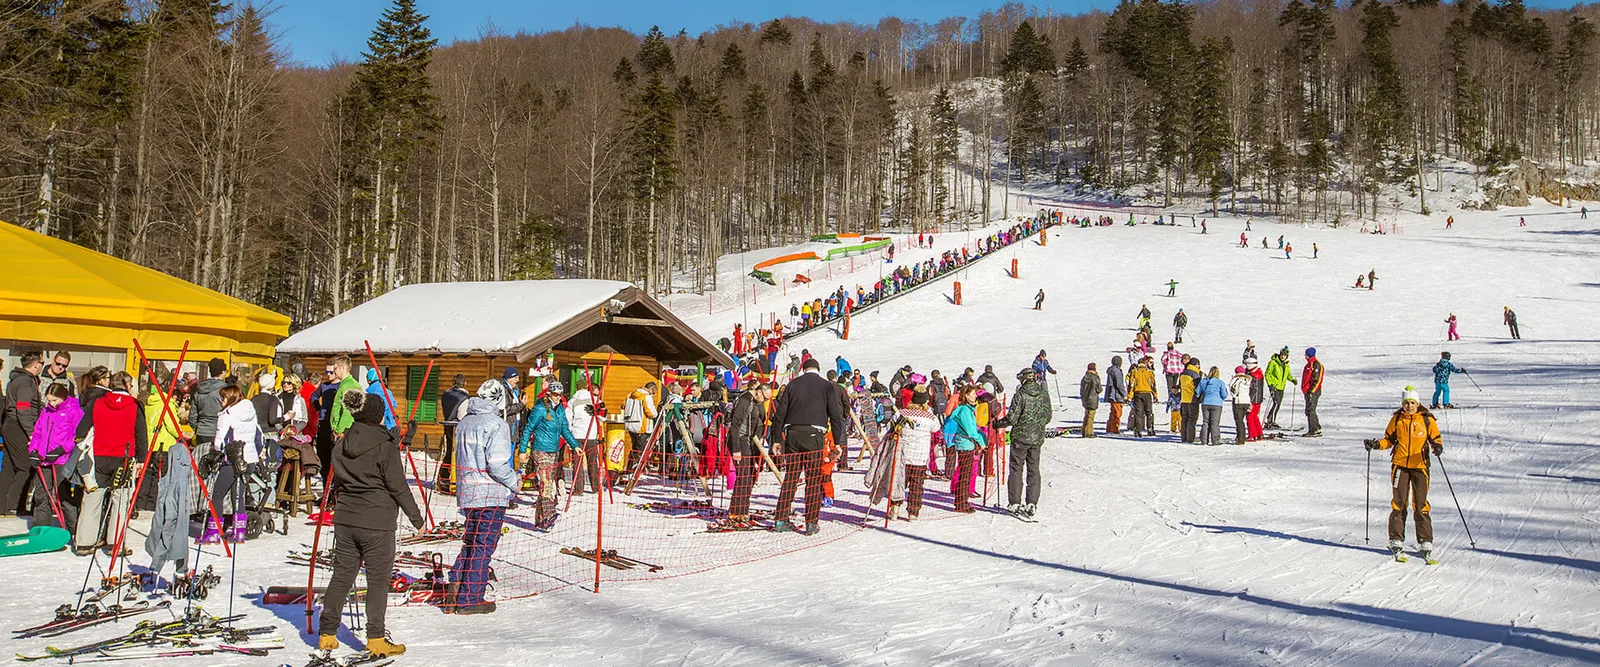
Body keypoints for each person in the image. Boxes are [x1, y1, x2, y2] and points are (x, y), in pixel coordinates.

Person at [318, 391, 423, 654]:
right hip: (377, 521)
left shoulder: (341, 443)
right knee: (377, 581)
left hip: (346, 518)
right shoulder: (384, 445)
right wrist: (417, 519)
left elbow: (341, 480)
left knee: (341, 577)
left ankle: (327, 632)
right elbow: (398, 486)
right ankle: (376, 638)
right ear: (377, 416)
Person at [444, 380, 517, 615]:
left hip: (469, 491)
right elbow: (497, 464)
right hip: (489, 492)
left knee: (472, 540)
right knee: (483, 545)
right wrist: (514, 482)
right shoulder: (496, 424)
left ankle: (455, 584)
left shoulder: (466, 421)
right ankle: (470, 597)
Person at [1365, 387, 1442, 563]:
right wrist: (1376, 445)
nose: (1409, 406)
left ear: (1418, 403)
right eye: (1406, 403)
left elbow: (1435, 438)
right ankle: (1396, 539)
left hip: (1420, 466)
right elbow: (1389, 440)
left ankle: (1425, 541)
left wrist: (1437, 446)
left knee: (1421, 504)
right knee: (1399, 503)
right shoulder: (1397, 419)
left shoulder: (1426, 420)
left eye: (1412, 403)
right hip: (1400, 466)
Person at [770, 357, 846, 535]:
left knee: (791, 478)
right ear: (818, 370)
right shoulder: (826, 386)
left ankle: (781, 519)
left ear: (803, 369)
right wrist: (837, 442)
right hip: (814, 436)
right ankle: (811, 522)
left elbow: (780, 413)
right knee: (812, 479)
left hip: (793, 435)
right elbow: (835, 416)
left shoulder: (793, 385)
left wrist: (776, 439)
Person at [77, 372, 148, 555]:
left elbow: (81, 429)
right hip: (123, 457)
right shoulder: (134, 405)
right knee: (120, 499)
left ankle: (85, 542)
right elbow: (141, 436)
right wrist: (141, 460)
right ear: (126, 384)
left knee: (93, 496)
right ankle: (115, 542)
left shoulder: (97, 402)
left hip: (99, 455)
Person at [203, 385, 261, 544]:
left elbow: (219, 441)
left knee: (217, 494)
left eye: (224, 397)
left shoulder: (227, 414)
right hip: (249, 459)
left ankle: (214, 532)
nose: (221, 400)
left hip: (232, 459)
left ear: (231, 398)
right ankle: (239, 532)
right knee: (238, 495)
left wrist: (214, 454)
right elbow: (259, 436)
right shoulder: (250, 411)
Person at [517, 381, 578, 529]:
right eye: (555, 394)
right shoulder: (540, 409)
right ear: (549, 394)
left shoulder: (560, 410)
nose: (558, 397)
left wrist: (575, 445)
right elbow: (528, 429)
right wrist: (523, 450)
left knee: (546, 484)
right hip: (540, 450)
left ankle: (539, 519)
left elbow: (564, 429)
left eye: (560, 395)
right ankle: (550, 514)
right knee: (547, 483)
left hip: (554, 450)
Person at [994, 368, 1051, 518]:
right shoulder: (1043, 394)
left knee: (1016, 469)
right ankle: (1032, 502)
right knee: (1033, 469)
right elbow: (1048, 416)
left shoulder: (1021, 395)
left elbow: (1012, 418)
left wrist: (998, 424)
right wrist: (1037, 425)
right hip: (1036, 438)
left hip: (1020, 438)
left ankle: (1014, 503)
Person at [27, 384, 81, 530]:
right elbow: (38, 432)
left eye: (54, 400)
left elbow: (78, 436)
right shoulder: (46, 411)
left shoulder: (74, 411)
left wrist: (61, 449)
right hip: (44, 459)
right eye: (49, 400)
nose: (51, 404)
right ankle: (41, 527)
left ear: (63, 398)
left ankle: (73, 529)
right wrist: (33, 450)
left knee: (62, 495)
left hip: (62, 459)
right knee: (42, 494)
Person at [1, 352, 45, 516]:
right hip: (18, 426)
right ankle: (14, 506)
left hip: (11, 425)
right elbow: (24, 410)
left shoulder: (18, 379)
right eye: (42, 362)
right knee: (26, 466)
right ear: (36, 364)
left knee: (10, 468)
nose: (42, 365)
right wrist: (31, 434)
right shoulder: (26, 382)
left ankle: (3, 506)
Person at [726, 380, 771, 527]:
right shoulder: (745, 401)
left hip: (748, 441)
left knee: (749, 476)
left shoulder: (753, 401)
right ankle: (735, 512)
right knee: (744, 476)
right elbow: (735, 424)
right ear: (758, 392)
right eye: (764, 398)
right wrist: (736, 448)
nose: (764, 401)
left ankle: (743, 510)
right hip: (739, 439)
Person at [893, 389, 941, 521]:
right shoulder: (930, 417)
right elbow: (936, 428)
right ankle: (913, 512)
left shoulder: (901, 413)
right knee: (916, 485)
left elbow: (891, 427)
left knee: (899, 483)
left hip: (903, 456)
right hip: (919, 457)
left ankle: (894, 508)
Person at [940, 385, 984, 513]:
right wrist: (981, 442)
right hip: (965, 444)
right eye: (973, 394)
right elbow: (970, 430)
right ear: (966, 395)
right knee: (965, 474)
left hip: (967, 444)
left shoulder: (968, 409)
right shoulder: (964, 410)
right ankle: (961, 503)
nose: (975, 396)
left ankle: (962, 501)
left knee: (966, 473)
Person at [565, 379, 603, 496]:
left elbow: (568, 419)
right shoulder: (595, 400)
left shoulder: (572, 401)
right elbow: (603, 417)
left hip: (576, 436)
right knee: (592, 462)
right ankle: (595, 487)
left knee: (578, 463)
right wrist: (597, 412)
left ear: (576, 388)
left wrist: (569, 434)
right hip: (591, 435)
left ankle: (578, 489)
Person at [190, 358, 228, 457]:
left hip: (201, 432)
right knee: (216, 463)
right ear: (223, 372)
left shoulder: (199, 389)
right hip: (217, 431)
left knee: (201, 460)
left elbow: (192, 416)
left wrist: (198, 427)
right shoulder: (224, 390)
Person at [622, 382, 658, 474]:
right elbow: (651, 413)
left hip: (630, 425)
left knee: (634, 448)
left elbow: (623, 406)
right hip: (642, 426)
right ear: (650, 389)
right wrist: (656, 413)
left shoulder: (630, 395)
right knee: (639, 450)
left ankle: (630, 468)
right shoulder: (646, 397)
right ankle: (634, 470)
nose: (652, 394)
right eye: (653, 392)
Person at [1265, 347, 1296, 429]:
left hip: (1281, 387)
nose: (1283, 357)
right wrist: (1270, 384)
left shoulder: (1286, 365)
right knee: (1276, 403)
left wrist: (1292, 380)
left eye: (1285, 355)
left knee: (1278, 404)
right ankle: (1270, 421)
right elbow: (1267, 374)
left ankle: (1272, 420)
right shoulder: (1273, 362)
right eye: (1282, 355)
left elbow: (1287, 375)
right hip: (1274, 386)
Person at [1196, 367, 1229, 446]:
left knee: (1205, 422)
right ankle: (1215, 440)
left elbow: (1197, 391)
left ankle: (1204, 441)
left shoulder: (1204, 381)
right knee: (1215, 423)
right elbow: (1224, 395)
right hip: (1217, 404)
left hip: (1205, 403)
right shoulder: (1220, 382)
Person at [1128, 356, 1158, 437]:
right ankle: (1150, 429)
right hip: (1147, 393)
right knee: (1149, 412)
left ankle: (1138, 430)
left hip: (1138, 393)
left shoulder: (1134, 372)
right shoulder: (1149, 372)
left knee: (1139, 413)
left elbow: (1131, 384)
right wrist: (1155, 395)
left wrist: (1129, 396)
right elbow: (1152, 385)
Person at [1301, 348, 1325, 437]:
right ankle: (1316, 427)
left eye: (1306, 355)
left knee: (1311, 410)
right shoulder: (1308, 364)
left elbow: (1317, 380)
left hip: (1313, 391)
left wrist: (1312, 391)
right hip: (1307, 390)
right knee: (1308, 410)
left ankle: (1313, 430)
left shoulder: (1316, 365)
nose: (1305, 356)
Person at [1179, 358, 1203, 443]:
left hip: (1184, 399)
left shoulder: (1183, 373)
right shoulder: (1195, 373)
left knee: (1184, 418)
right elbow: (1197, 386)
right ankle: (1191, 437)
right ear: (1196, 364)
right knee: (1192, 419)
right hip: (1192, 398)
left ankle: (1183, 437)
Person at [1228, 366, 1252, 445]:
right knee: (1242, 420)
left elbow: (1232, 389)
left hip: (1238, 401)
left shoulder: (1236, 379)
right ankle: (1240, 437)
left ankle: (1241, 439)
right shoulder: (1247, 380)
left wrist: (1235, 396)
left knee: (1239, 421)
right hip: (1246, 401)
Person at [1104, 356, 1126, 435]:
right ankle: (1114, 429)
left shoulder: (1111, 370)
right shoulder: (1117, 371)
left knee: (1112, 413)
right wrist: (1124, 394)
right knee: (1117, 413)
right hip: (1116, 395)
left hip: (1111, 395)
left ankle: (1109, 428)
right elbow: (1119, 384)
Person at [1079, 363, 1102, 439]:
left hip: (1085, 399)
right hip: (1093, 399)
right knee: (1090, 417)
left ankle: (1083, 431)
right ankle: (1089, 432)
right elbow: (1099, 389)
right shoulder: (1095, 378)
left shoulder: (1084, 378)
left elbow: (1081, 390)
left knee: (1086, 415)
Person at [1245, 359, 1265, 441]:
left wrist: (1249, 400)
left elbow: (1252, 389)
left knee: (1250, 417)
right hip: (1258, 399)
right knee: (1255, 417)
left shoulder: (1254, 375)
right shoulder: (1258, 373)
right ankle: (1259, 433)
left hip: (1253, 399)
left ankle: (1252, 435)